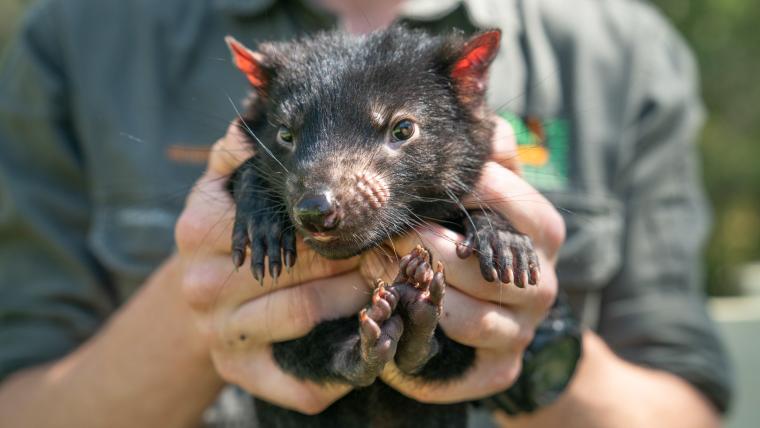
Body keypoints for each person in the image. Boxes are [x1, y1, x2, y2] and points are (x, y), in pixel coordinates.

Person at [0, 0, 732, 427]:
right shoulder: (83, 35)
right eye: (294, 140)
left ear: (470, 85)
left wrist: (535, 345)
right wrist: (198, 318)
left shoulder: (619, 50)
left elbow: (686, 401)